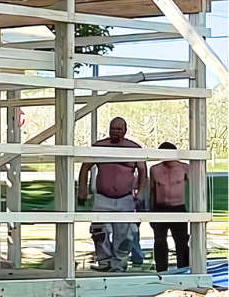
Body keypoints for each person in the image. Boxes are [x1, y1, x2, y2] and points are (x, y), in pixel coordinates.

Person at [76, 116, 146, 272]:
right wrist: (82, 193)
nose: (116, 132)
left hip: (125, 198)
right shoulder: (99, 147)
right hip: (102, 198)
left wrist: (140, 196)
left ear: (125, 131)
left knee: (125, 234)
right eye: (113, 128)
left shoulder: (134, 149)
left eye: (119, 129)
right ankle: (104, 262)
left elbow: (142, 172)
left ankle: (119, 264)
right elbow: (84, 168)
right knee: (99, 232)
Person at [148, 141, 192, 274]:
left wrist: (191, 211)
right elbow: (152, 191)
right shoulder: (155, 169)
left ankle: (183, 269)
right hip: (160, 208)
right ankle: (161, 271)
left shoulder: (185, 168)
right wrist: (151, 212)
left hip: (179, 207)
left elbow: (194, 188)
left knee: (181, 241)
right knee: (159, 241)